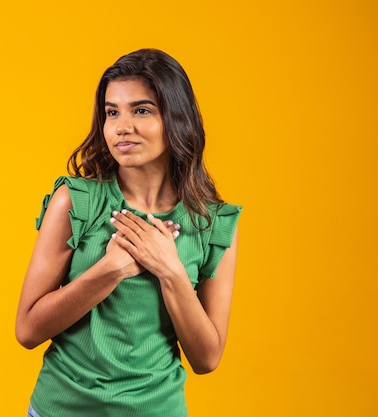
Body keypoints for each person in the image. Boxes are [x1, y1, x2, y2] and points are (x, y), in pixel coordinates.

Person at [15, 48, 242, 417]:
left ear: (175, 118)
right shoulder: (76, 202)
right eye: (111, 112)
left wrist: (170, 269)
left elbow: (207, 358)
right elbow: (27, 330)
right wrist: (112, 268)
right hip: (60, 409)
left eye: (141, 110)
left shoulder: (211, 223)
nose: (122, 127)